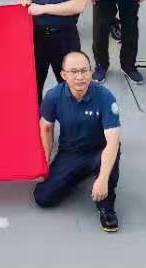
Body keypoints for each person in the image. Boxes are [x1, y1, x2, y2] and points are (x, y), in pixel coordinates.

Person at [34, 50, 121, 233]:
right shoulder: (53, 96)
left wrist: (103, 179)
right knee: (43, 198)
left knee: (106, 175)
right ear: (63, 74)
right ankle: (82, 173)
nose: (80, 77)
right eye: (74, 72)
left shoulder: (105, 97)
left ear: (90, 71)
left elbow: (113, 141)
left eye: (84, 71)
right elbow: (46, 128)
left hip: (99, 150)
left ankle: (107, 208)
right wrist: (44, 163)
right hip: (71, 152)